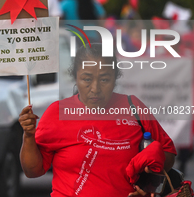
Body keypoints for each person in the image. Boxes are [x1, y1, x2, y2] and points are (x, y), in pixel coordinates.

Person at [19, 43, 176, 197]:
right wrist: (28, 136)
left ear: (115, 78)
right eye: (87, 79)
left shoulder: (133, 107)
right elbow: (32, 171)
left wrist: (148, 185)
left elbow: (168, 152)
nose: (95, 88)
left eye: (104, 79)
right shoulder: (57, 113)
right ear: (75, 77)